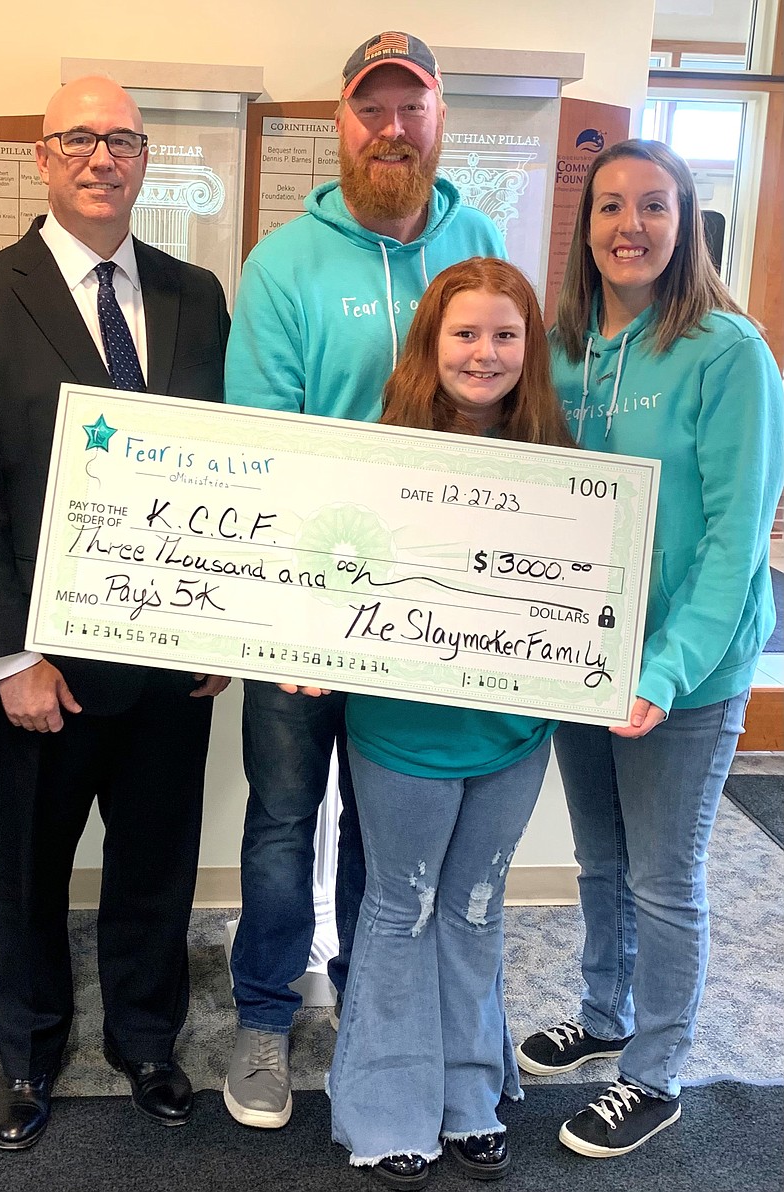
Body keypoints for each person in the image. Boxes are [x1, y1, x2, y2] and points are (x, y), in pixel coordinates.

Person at [0, 76, 230, 1151]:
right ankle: (29, 1049)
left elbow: (224, 477)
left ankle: (146, 1040)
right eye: (78, 140)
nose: (102, 158)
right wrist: (6, 656)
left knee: (156, 864)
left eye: (123, 141)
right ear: (42, 160)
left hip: (168, 660)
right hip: (38, 664)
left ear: (146, 161)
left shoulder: (196, 296)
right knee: (30, 870)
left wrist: (219, 631)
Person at [222, 31, 507, 1131]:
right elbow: (264, 446)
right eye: (369, 109)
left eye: (411, 107)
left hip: (430, 621)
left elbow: (512, 420)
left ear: (439, 120)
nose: (390, 128)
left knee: (389, 834)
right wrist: (291, 619)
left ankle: (366, 1009)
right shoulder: (284, 264)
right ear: (338, 123)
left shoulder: (480, 243)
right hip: (305, 609)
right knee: (284, 819)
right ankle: (261, 1015)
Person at [516, 139, 784, 1159]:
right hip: (584, 658)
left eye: (652, 207)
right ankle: (602, 1012)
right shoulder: (560, 351)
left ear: (685, 225)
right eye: (609, 207)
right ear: (584, 230)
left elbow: (732, 542)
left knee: (664, 878)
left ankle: (654, 1070)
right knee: (601, 860)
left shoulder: (728, 352)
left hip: (688, 671)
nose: (628, 225)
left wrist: (664, 672)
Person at [327, 257, 574, 1187]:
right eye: (465, 333)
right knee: (402, 907)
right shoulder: (375, 456)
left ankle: (471, 1090)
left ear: (528, 350)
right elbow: (326, 572)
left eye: (505, 335)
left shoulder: (566, 468)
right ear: (432, 343)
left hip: (512, 734)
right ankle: (388, 1108)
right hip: (402, 731)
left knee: (475, 909)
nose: (484, 352)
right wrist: (307, 649)